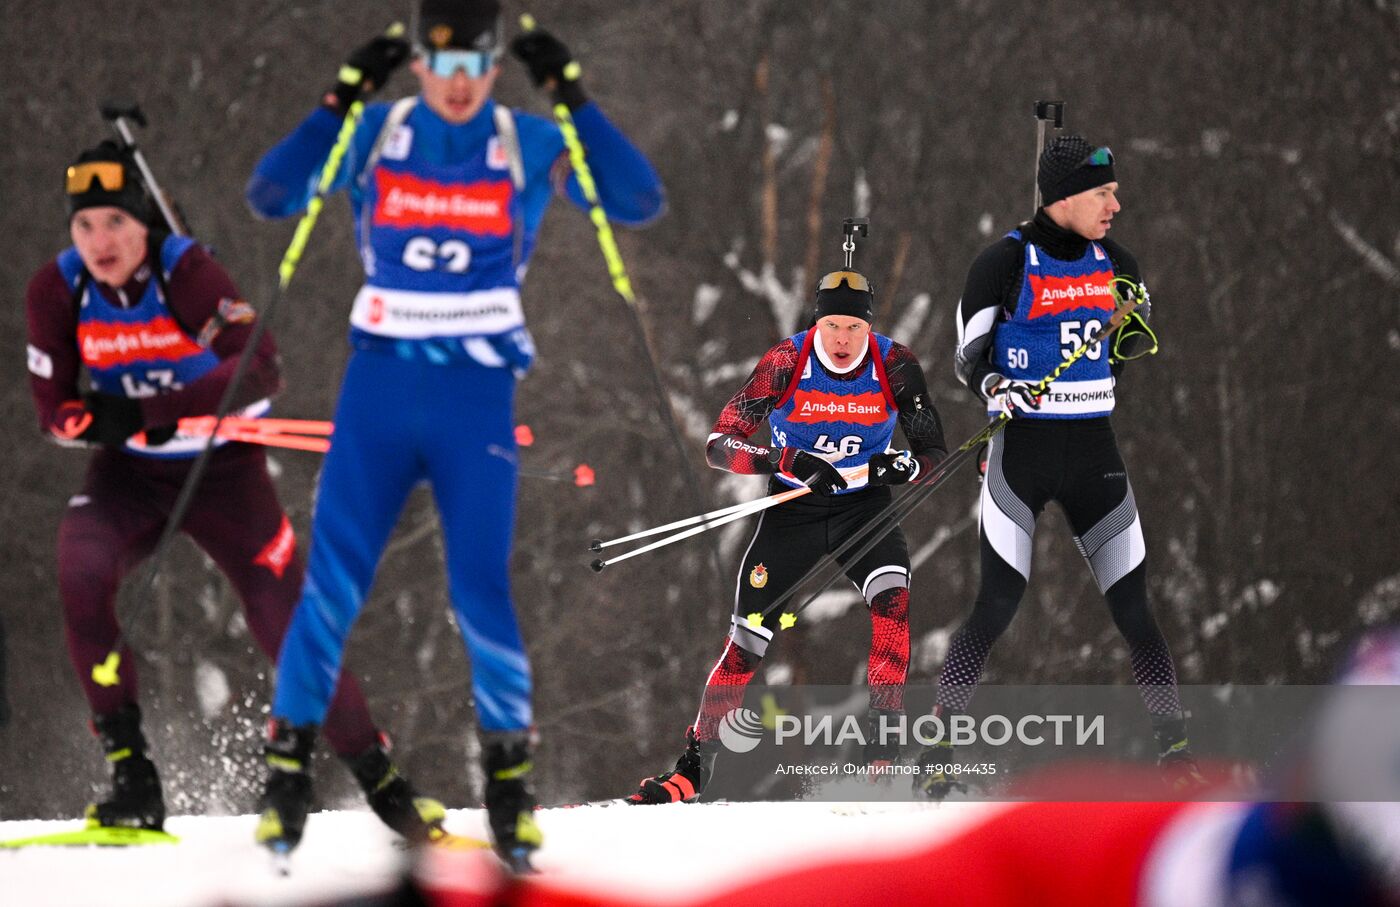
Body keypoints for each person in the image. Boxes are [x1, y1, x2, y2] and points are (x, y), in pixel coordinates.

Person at [243, 0, 664, 866]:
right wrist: (338, 99)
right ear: (419, 65)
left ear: (496, 65)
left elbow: (638, 199)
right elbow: (271, 193)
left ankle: (509, 787)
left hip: (475, 395)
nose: (461, 86)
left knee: (480, 589)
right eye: (444, 68)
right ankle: (285, 776)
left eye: (478, 67)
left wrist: (573, 96)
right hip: (380, 391)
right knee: (332, 585)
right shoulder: (378, 129)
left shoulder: (525, 139)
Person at [24, 141, 440, 838]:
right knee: (80, 570)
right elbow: (53, 411)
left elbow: (261, 367)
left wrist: (153, 408)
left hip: (226, 470)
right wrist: (108, 419)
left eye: (116, 225)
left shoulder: (185, 269)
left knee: (287, 620)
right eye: (85, 225)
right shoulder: (56, 289)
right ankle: (133, 777)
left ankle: (382, 779)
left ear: (144, 225)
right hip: (130, 474)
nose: (101, 242)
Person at [918, 133, 1195, 797]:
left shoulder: (1117, 262)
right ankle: (936, 750)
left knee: (1135, 611)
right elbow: (967, 356)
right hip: (1023, 453)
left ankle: (1176, 755)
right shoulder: (1003, 263)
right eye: (1103, 192)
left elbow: (1123, 349)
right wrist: (995, 387)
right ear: (1067, 195)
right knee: (996, 604)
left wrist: (1133, 321)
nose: (1116, 204)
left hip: (1094, 452)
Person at [627, 267, 948, 804]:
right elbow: (719, 443)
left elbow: (934, 455)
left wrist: (902, 468)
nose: (842, 340)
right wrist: (786, 458)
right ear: (817, 323)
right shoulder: (786, 362)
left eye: (853, 328)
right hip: (792, 508)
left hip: (864, 508)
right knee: (748, 641)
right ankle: (692, 769)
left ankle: (884, 745)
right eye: (832, 326)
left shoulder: (895, 363)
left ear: (869, 328)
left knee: (891, 605)